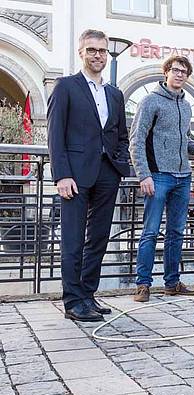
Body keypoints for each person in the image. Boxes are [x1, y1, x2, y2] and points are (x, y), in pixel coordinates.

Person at [47, 29, 131, 322]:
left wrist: (119, 160)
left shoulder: (115, 94)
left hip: (108, 173)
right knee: (72, 239)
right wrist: (61, 176)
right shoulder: (66, 86)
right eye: (92, 50)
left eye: (102, 51)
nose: (98, 55)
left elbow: (121, 134)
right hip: (75, 176)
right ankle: (72, 301)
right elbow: (55, 135)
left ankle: (87, 295)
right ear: (81, 53)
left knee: (98, 238)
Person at [129, 56, 194, 303]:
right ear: (166, 72)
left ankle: (172, 283)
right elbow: (135, 141)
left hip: (183, 177)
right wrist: (143, 175)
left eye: (184, 72)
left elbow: (184, 140)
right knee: (150, 232)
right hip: (158, 176)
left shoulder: (186, 106)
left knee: (176, 232)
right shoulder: (150, 101)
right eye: (176, 70)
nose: (180, 75)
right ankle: (143, 285)